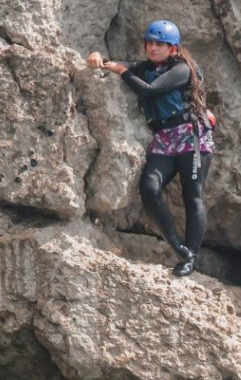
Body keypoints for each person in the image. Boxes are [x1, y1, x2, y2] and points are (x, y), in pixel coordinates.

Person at [86, 21, 215, 277]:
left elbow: (150, 90)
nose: (153, 48)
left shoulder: (181, 69)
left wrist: (122, 72)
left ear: (172, 48)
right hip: (164, 138)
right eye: (150, 43)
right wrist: (97, 57)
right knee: (149, 188)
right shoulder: (146, 68)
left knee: (193, 195)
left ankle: (192, 256)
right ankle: (180, 250)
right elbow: (119, 65)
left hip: (191, 137)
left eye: (160, 44)